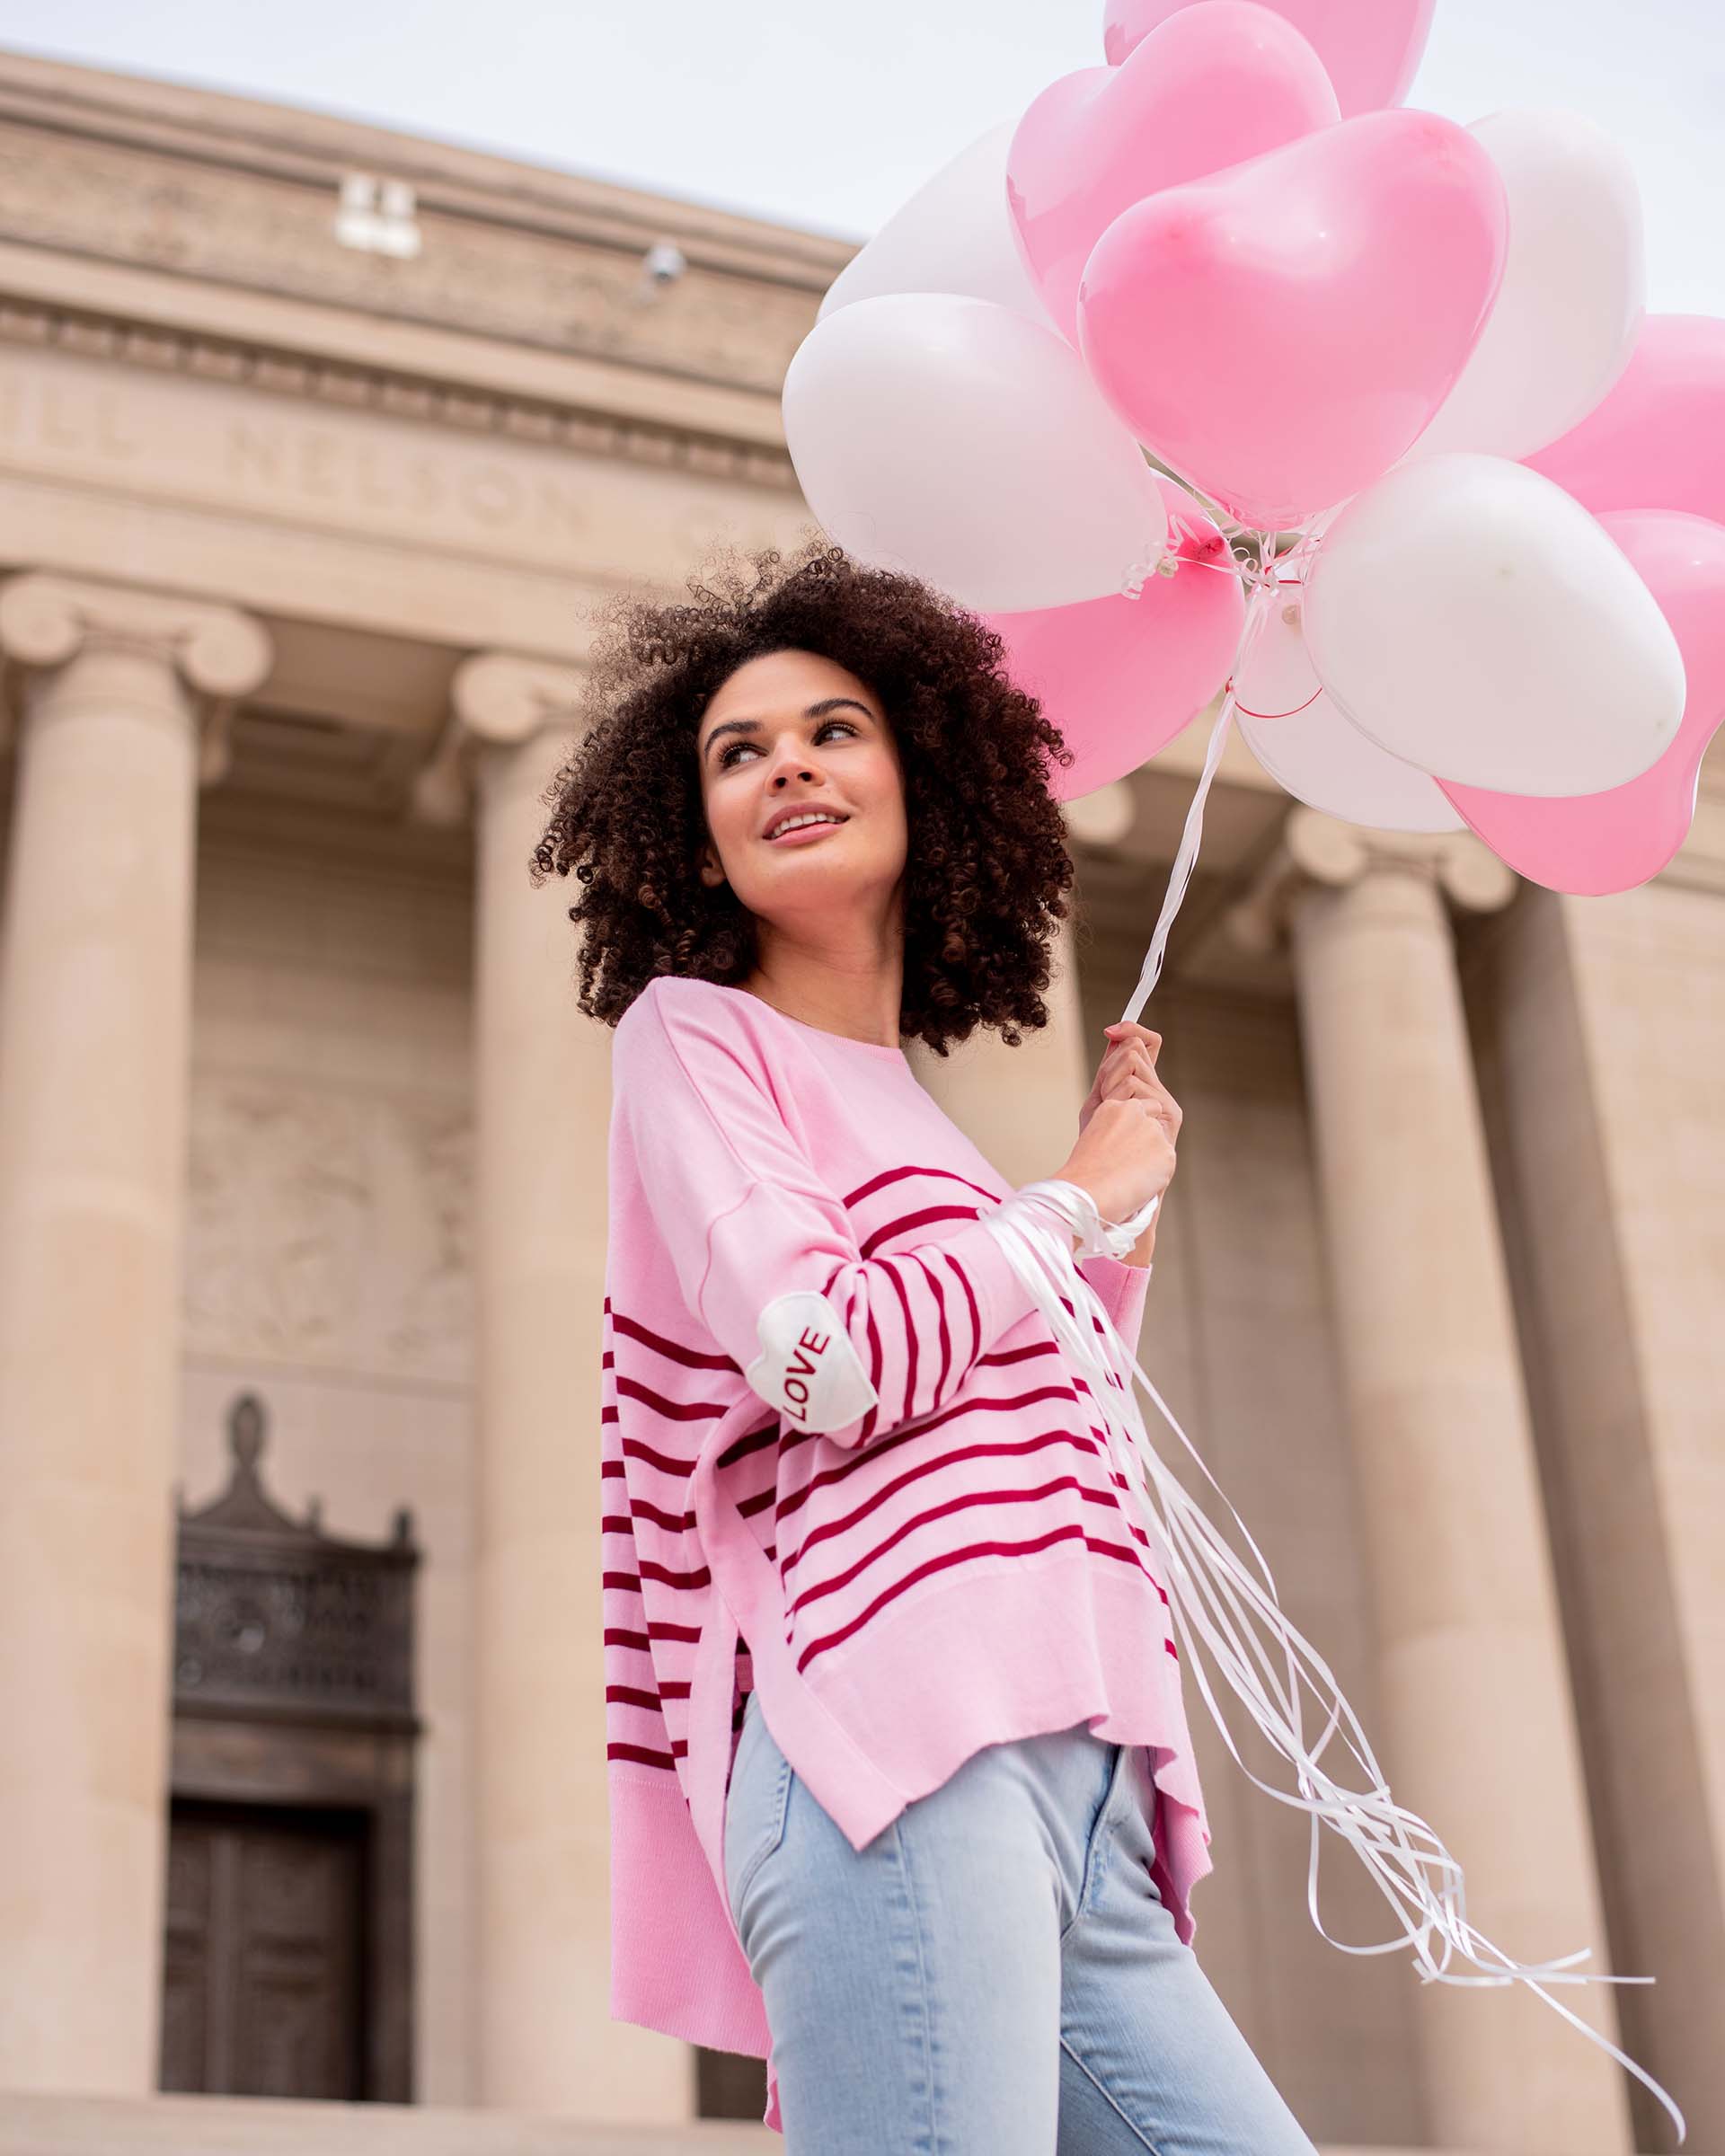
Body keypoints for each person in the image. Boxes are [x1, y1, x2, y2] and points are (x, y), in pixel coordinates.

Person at [531, 538, 1320, 2153]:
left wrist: (1118, 1233)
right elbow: (823, 1363)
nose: (785, 768)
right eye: (734, 753)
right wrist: (1067, 1209)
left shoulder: (933, 1131)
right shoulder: (697, 1036)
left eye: (832, 730)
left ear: (923, 778)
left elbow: (1030, 1418)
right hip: (896, 1746)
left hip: (1079, 1778)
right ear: (692, 833)